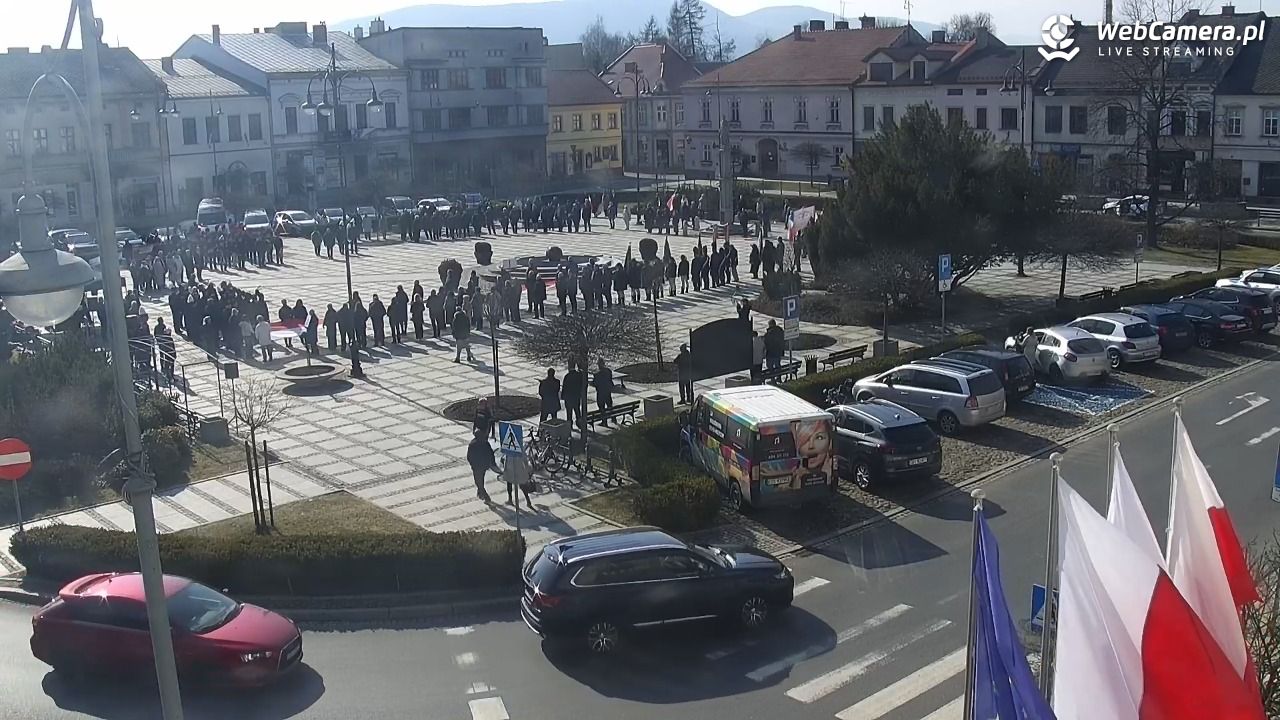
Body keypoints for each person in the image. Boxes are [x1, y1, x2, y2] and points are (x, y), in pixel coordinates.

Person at [466, 429, 498, 503]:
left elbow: (469, 456)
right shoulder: (485, 443)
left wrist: (472, 464)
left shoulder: (473, 444)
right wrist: (492, 463)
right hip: (483, 465)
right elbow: (491, 453)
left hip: (476, 466)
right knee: (481, 480)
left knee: (478, 482)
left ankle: (486, 497)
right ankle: (480, 493)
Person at [562, 360, 584, 432]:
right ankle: (579, 423)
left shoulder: (567, 376)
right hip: (576, 396)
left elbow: (564, 387)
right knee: (577, 410)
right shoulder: (578, 375)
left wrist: (563, 396)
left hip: (568, 398)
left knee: (569, 412)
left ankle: (570, 425)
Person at [593, 358, 614, 422]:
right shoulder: (608, 371)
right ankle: (613, 418)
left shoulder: (597, 375)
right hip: (608, 392)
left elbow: (595, 383)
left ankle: (604, 421)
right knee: (609, 405)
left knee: (601, 407)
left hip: (600, 393)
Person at [155, 318, 176, 383]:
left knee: (170, 364)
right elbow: (156, 335)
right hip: (166, 351)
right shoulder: (167, 338)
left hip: (170, 353)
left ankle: (170, 375)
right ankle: (167, 375)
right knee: (166, 362)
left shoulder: (164, 328)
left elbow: (173, 347)